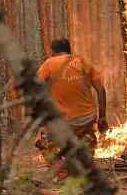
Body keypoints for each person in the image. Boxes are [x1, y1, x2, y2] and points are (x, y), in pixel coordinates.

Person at [34, 38, 109, 181]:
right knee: (85, 142)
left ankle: (63, 174)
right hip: (89, 118)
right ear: (70, 50)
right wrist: (102, 117)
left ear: (53, 52)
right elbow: (100, 90)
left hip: (66, 121)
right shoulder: (83, 62)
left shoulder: (50, 63)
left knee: (40, 141)